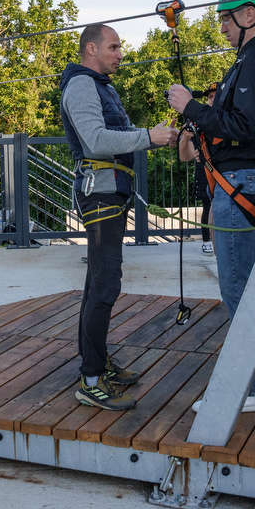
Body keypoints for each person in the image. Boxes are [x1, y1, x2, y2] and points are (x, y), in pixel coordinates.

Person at [167, 0, 255, 413]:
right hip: (239, 182)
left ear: (249, 14)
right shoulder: (251, 60)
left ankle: (244, 390)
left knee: (236, 287)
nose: (222, 28)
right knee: (243, 285)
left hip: (238, 184)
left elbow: (244, 127)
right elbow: (238, 122)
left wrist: (191, 108)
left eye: (226, 19)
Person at [60, 23, 178, 411]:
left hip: (110, 190)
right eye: (113, 47)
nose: (120, 54)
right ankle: (91, 381)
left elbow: (115, 136)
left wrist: (154, 138)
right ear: (91, 49)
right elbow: (96, 140)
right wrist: (148, 137)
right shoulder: (82, 84)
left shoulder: (100, 85)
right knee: (106, 284)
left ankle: (95, 363)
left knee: (98, 282)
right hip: (101, 193)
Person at [177, 83, 218, 255]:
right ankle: (207, 241)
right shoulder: (199, 119)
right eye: (210, 97)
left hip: (226, 175)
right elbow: (185, 156)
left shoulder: (230, 117)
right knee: (207, 207)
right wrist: (185, 139)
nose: (212, 99)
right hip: (205, 174)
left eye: (215, 96)